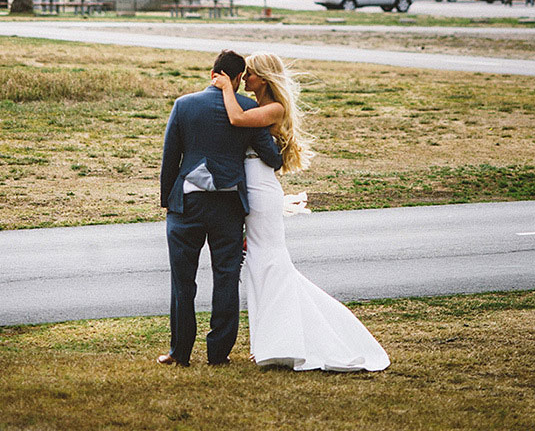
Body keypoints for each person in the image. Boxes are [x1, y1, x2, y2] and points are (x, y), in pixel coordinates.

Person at [213, 51, 390, 372]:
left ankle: (283, 341)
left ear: (263, 79)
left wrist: (226, 88)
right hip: (250, 185)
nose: (244, 78)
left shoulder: (272, 108)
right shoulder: (256, 105)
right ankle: (272, 341)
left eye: (248, 73)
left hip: (261, 189)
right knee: (258, 263)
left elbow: (237, 120)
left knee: (269, 261)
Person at [158, 49, 282, 367]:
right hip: (228, 205)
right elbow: (272, 158)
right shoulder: (249, 108)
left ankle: (179, 352)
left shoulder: (184, 105)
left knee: (182, 280)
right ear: (238, 78)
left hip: (186, 204)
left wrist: (167, 202)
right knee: (226, 277)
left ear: (212, 73)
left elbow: (170, 158)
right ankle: (219, 353)